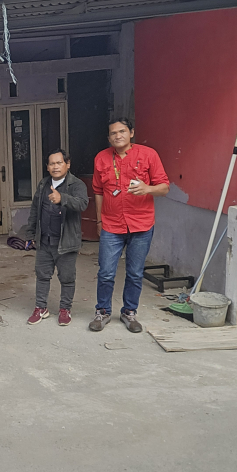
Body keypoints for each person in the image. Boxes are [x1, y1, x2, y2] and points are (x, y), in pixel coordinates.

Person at [89, 118, 169, 333]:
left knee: (134, 273)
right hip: (111, 225)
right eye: (113, 133)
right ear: (109, 137)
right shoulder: (101, 158)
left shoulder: (148, 154)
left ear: (131, 133)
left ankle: (129, 312)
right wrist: (99, 220)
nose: (118, 136)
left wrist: (147, 189)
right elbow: (98, 191)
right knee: (106, 272)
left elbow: (164, 187)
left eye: (122, 131)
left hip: (141, 225)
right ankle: (102, 312)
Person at [24, 148, 89, 326]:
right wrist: (30, 233)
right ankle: (41, 308)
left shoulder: (76, 185)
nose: (55, 167)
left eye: (59, 163)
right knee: (42, 275)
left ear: (67, 164)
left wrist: (62, 198)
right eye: (51, 163)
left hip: (66, 241)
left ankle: (65, 309)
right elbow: (35, 209)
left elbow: (82, 204)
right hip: (45, 240)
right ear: (47, 167)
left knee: (67, 278)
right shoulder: (43, 184)